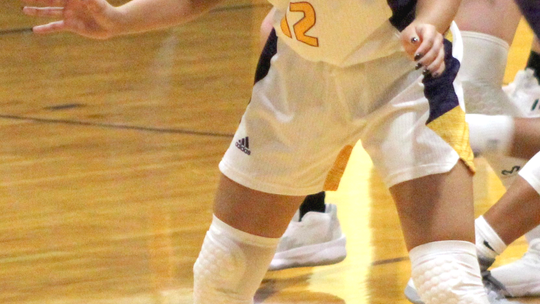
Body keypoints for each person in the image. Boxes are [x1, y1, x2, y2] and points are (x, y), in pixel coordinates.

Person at [22, 0, 493, 303]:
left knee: (447, 281)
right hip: (298, 75)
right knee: (220, 275)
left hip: (405, 70)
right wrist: (117, 19)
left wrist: (431, 25)